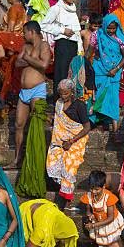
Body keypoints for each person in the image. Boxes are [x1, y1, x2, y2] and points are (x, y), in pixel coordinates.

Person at [46, 79, 90, 210]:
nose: (62, 96)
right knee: (53, 159)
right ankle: (59, 189)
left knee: (69, 165)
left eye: (65, 93)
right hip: (60, 141)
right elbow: (58, 123)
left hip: (76, 140)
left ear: (71, 92)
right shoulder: (58, 103)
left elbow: (86, 127)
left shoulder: (79, 105)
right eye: (61, 94)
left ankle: (64, 200)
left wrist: (71, 141)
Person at [14, 22, 51, 168]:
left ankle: (36, 159)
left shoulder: (44, 46)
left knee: (37, 123)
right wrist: (31, 60)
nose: (23, 35)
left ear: (32, 32)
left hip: (37, 89)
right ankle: (17, 158)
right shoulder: (25, 46)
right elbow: (17, 63)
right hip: (24, 92)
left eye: (25, 32)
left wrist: (28, 59)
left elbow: (44, 65)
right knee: (18, 124)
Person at [86, 14, 124, 131]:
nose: (111, 31)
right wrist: (83, 63)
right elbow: (90, 51)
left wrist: (116, 69)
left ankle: (115, 129)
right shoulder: (97, 35)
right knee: (99, 96)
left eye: (113, 28)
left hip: (114, 72)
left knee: (113, 98)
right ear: (104, 25)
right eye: (109, 28)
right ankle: (97, 122)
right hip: (100, 70)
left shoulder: (119, 38)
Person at [40, 0, 81, 97]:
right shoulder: (56, 9)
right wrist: (63, 30)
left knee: (71, 73)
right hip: (63, 44)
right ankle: (58, 101)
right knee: (61, 73)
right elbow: (44, 25)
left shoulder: (72, 8)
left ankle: (69, 100)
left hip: (73, 44)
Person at [81, 170, 124, 247]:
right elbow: (88, 209)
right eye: (91, 189)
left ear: (103, 186)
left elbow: (110, 218)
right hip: (100, 224)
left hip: (111, 225)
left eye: (97, 189)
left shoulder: (109, 197)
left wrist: (93, 225)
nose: (93, 192)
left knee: (115, 245)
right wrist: (90, 214)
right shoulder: (88, 196)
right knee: (102, 246)